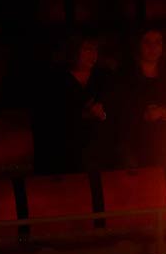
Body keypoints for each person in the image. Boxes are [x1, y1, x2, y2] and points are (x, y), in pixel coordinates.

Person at [31, 34, 118, 173]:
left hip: (97, 146)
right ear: (74, 50)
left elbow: (112, 106)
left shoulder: (103, 76)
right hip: (65, 147)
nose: (93, 54)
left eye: (95, 50)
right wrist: (84, 112)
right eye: (88, 49)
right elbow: (50, 115)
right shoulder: (56, 79)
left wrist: (102, 111)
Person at [112, 27, 166, 166]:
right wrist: (143, 114)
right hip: (137, 135)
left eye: (157, 42)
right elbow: (118, 105)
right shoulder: (125, 72)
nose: (153, 48)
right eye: (147, 42)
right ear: (138, 45)